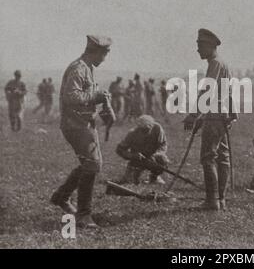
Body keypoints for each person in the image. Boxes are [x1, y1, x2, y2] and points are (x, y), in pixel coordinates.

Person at [50, 35, 112, 229]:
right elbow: (71, 96)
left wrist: (102, 100)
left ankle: (61, 196)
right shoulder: (78, 68)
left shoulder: (88, 68)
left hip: (83, 124)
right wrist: (96, 95)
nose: (104, 59)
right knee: (92, 164)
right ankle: (83, 215)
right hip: (75, 125)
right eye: (104, 55)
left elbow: (85, 94)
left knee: (90, 163)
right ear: (97, 52)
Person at [183, 29, 237, 211]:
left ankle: (212, 201)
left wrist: (193, 115)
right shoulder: (222, 63)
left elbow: (208, 90)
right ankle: (220, 200)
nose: (197, 50)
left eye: (200, 46)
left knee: (208, 158)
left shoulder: (215, 63)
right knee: (222, 157)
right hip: (220, 116)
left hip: (215, 116)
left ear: (210, 46)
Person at [114, 115, 168, 185]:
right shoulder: (132, 133)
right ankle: (131, 175)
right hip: (137, 159)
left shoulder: (157, 128)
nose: (145, 131)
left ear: (152, 126)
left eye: (147, 129)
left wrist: (156, 154)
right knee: (129, 182)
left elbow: (163, 144)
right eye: (143, 129)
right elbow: (119, 150)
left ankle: (154, 177)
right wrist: (132, 156)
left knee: (162, 160)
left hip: (152, 157)